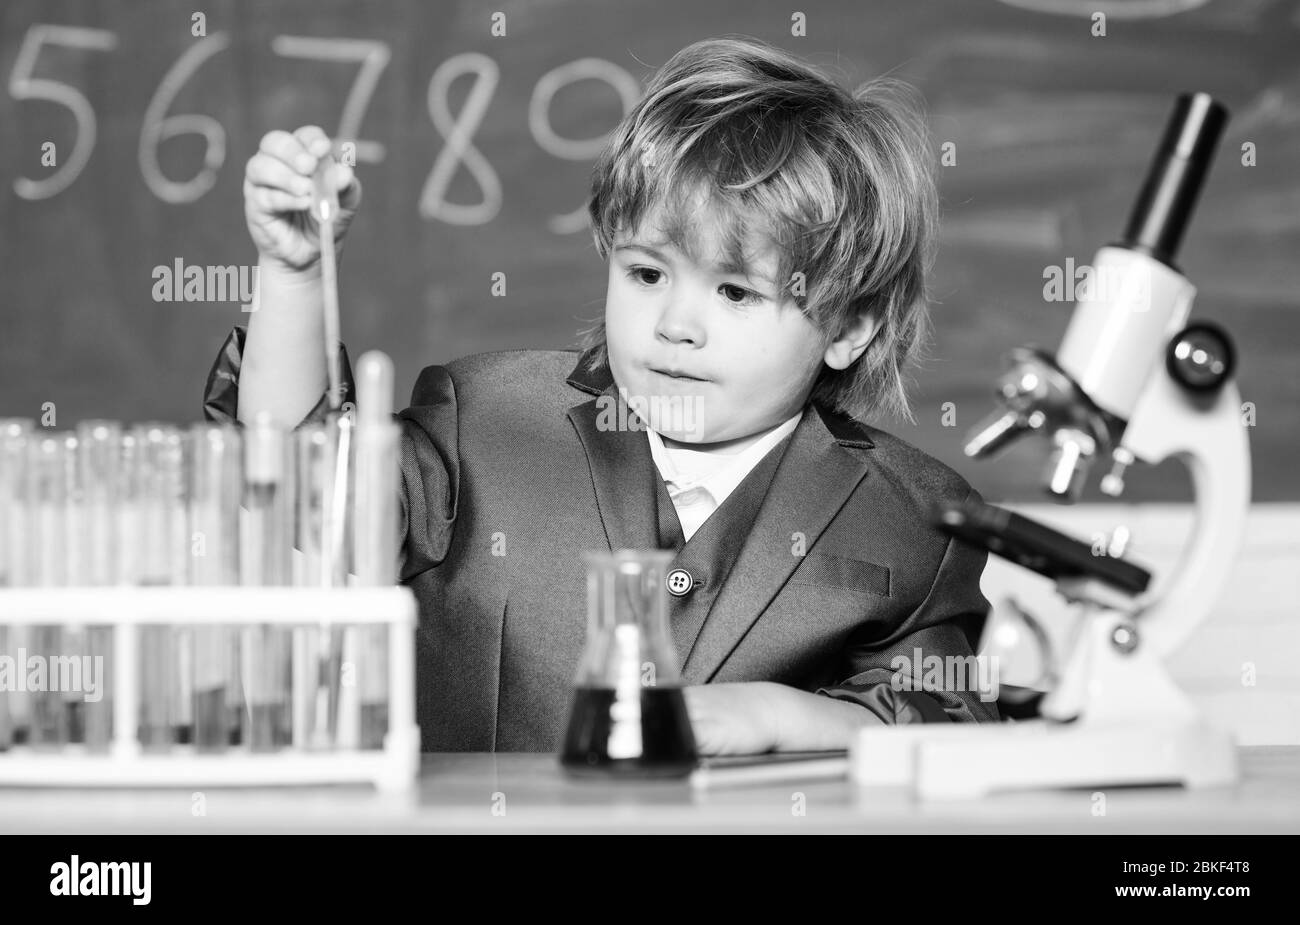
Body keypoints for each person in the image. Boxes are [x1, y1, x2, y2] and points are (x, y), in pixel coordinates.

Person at [204, 35, 999, 754]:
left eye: (736, 292)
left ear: (849, 327)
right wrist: (296, 276)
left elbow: (948, 718)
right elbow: (304, 494)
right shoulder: (486, 417)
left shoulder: (917, 519)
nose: (676, 325)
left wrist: (778, 718)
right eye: (647, 273)